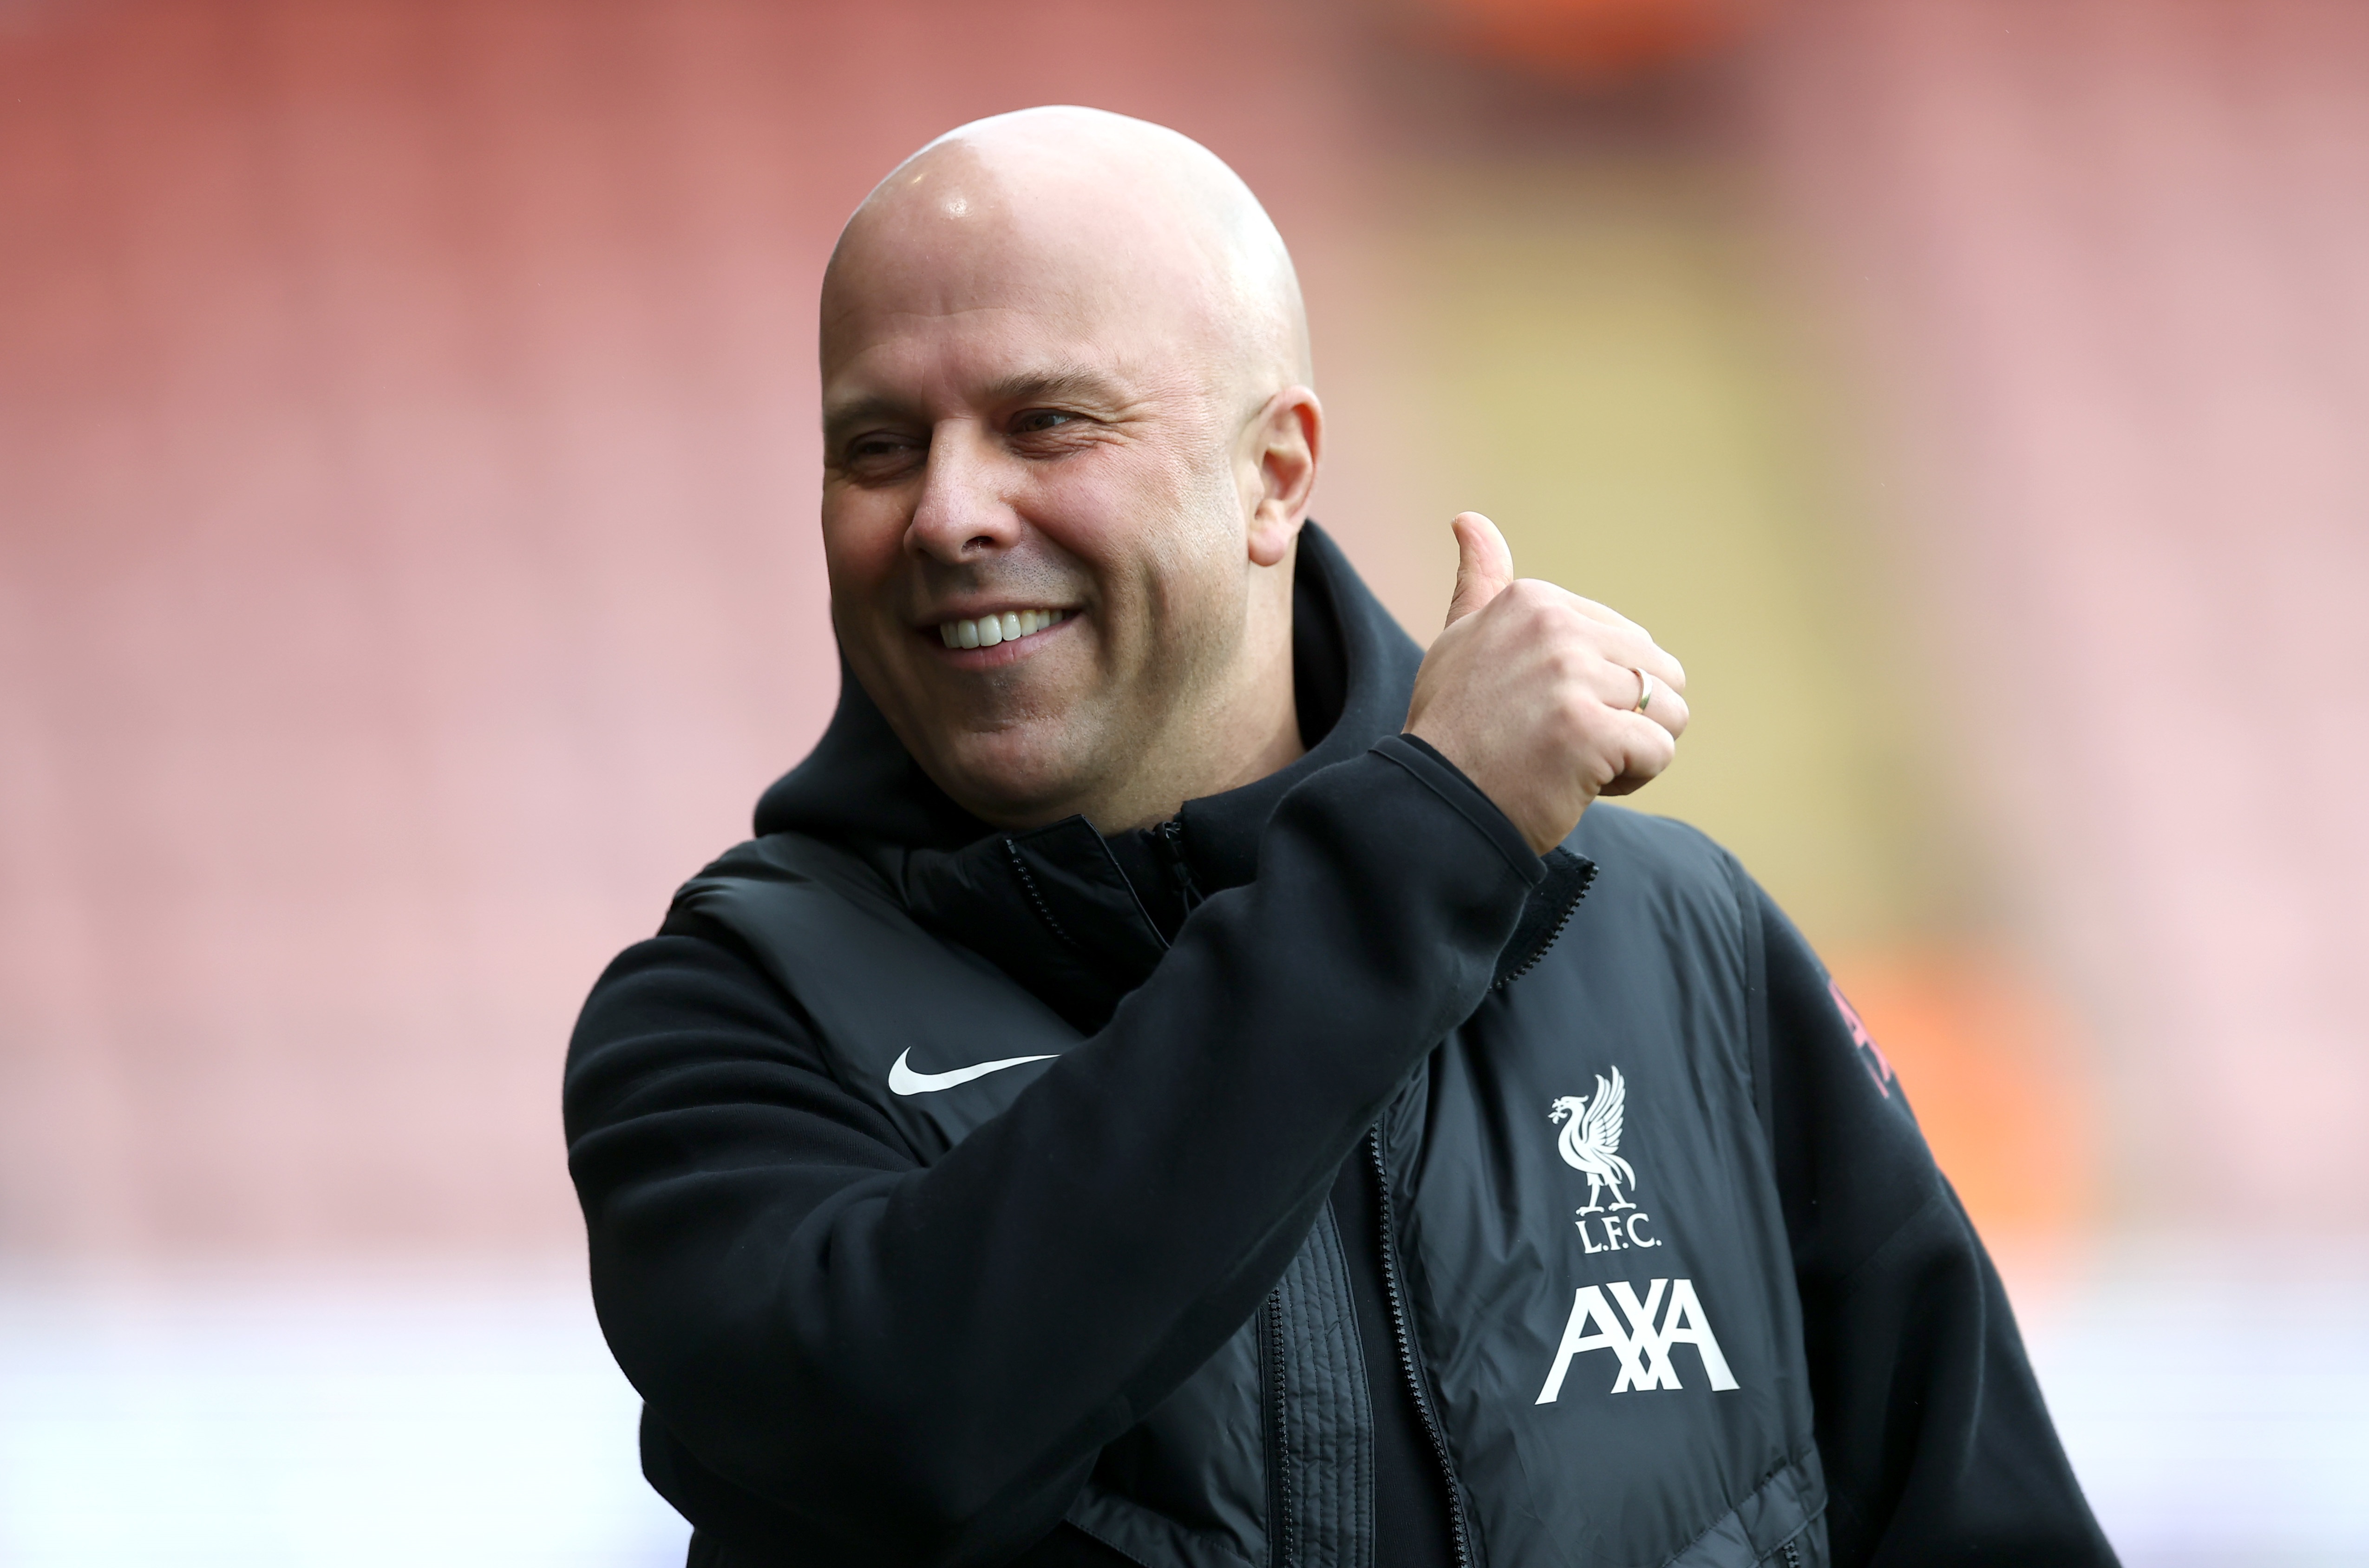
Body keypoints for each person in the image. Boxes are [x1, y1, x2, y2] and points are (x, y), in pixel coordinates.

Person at [563, 106, 2115, 1568]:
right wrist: (1424, 848)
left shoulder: (1679, 946)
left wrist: (1433, 851)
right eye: (878, 447)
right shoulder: (721, 1019)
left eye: (1044, 423)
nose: (947, 513)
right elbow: (896, 1438)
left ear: (1275, 471)